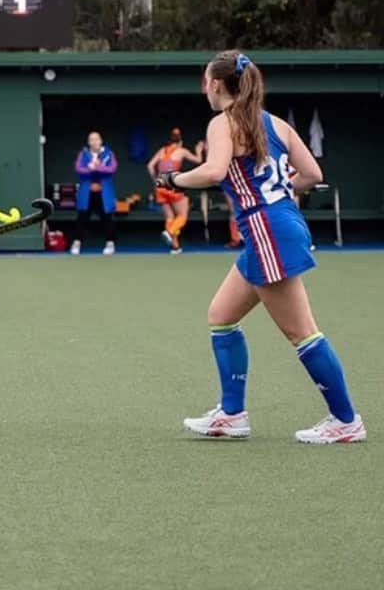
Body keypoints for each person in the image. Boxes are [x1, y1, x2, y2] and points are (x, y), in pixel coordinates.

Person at [156, 51, 365, 444]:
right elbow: (313, 174)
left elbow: (216, 171)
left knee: (302, 332)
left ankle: (346, 419)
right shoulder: (276, 124)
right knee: (221, 315)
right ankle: (232, 414)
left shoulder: (223, 123)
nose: (205, 87)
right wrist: (279, 192)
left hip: (267, 230)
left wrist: (175, 179)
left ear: (216, 84)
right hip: (275, 226)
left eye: (205, 80)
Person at [147, 128, 204, 254]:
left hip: (160, 184)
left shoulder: (162, 150)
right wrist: (199, 150)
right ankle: (170, 232)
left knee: (170, 217)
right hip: (172, 182)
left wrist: (155, 179)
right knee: (183, 215)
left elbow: (150, 166)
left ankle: (175, 247)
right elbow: (198, 161)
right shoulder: (181, 150)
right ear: (180, 142)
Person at [70, 131, 117, 256]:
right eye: (91, 139)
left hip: (103, 193)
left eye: (97, 139)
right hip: (87, 194)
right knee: (82, 218)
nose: (94, 141)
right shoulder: (83, 154)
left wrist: (98, 167)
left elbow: (111, 169)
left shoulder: (108, 154)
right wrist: (89, 168)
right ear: (88, 142)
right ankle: (76, 243)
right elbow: (79, 170)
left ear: (101, 141)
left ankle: (110, 244)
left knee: (107, 218)